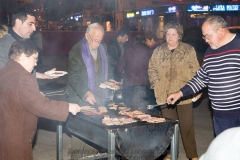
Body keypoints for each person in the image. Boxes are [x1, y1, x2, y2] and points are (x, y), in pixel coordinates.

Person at [0, 39, 81, 160]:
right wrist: (68, 107)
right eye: (35, 58)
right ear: (23, 56)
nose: (36, 64)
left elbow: (15, 97)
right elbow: (41, 107)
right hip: (16, 138)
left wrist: (35, 96)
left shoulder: (6, 70)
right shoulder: (24, 78)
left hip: (5, 132)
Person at [166, 15, 240, 137]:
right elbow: (201, 78)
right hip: (220, 116)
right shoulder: (210, 52)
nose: (206, 40)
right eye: (204, 36)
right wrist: (180, 93)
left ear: (221, 30)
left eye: (207, 35)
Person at [148, 22, 200, 160]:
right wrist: (156, 84)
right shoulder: (158, 51)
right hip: (164, 94)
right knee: (168, 126)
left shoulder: (188, 50)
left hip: (183, 94)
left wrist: (196, 89)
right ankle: (170, 153)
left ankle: (192, 155)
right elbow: (151, 69)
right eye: (168, 34)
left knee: (186, 126)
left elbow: (196, 71)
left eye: (173, 34)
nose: (170, 37)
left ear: (179, 36)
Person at [66, 23, 112, 158]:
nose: (98, 44)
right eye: (95, 40)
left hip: (98, 97)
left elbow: (107, 68)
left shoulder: (103, 48)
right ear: (87, 36)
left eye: (100, 40)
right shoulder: (76, 51)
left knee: (95, 136)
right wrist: (86, 92)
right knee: (80, 137)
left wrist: (110, 80)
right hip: (80, 99)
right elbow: (74, 78)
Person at [0, 7, 55, 79]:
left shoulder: (20, 41)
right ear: (18, 22)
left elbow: (21, 70)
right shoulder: (4, 45)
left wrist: (42, 75)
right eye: (30, 24)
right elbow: (4, 77)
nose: (34, 28)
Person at [116, 34, 155, 113]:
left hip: (130, 86)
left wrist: (124, 76)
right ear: (144, 42)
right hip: (145, 86)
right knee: (143, 111)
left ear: (134, 42)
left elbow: (119, 69)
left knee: (130, 111)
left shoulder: (129, 51)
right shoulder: (150, 51)